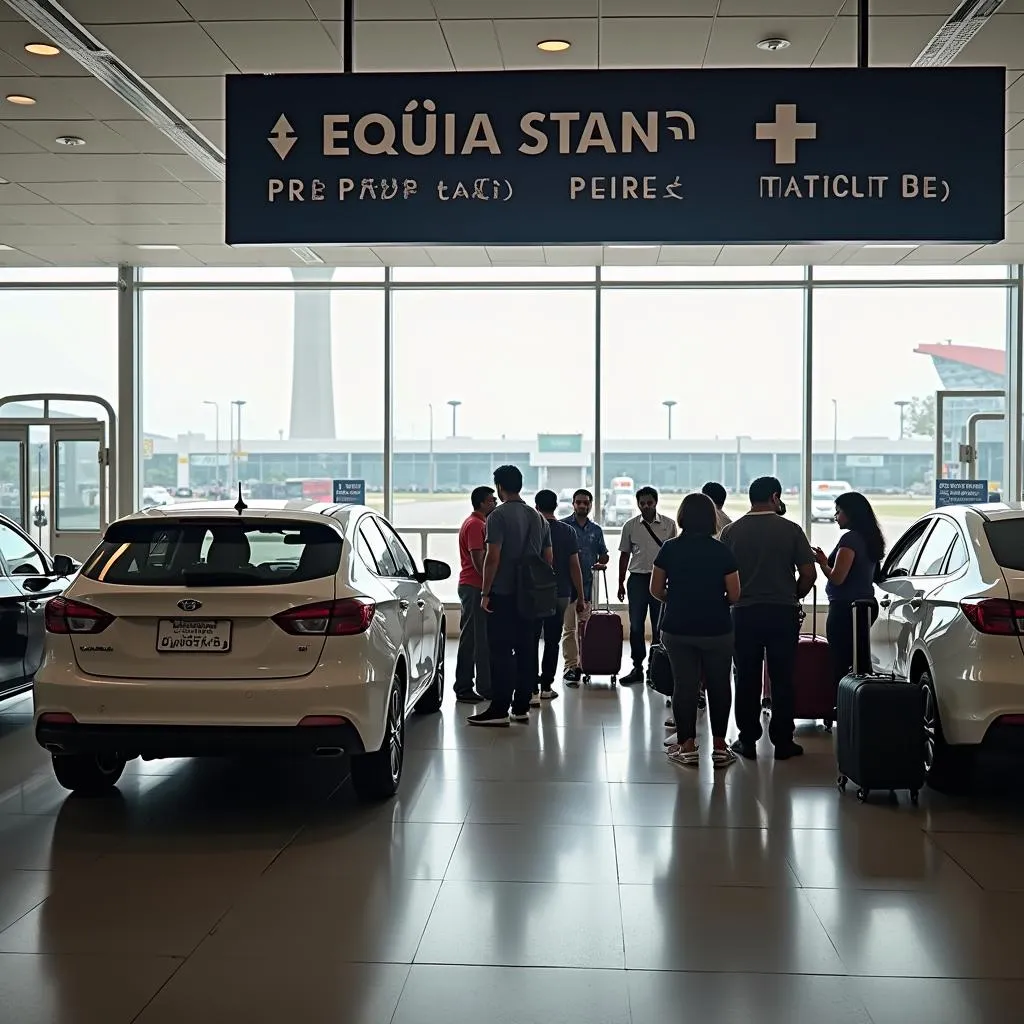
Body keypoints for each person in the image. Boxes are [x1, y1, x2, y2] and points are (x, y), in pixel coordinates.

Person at [720, 476, 816, 761]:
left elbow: (723, 577)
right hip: (781, 613)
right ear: (775, 497)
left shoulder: (731, 532)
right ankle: (783, 742)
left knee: (746, 677)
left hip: (743, 613)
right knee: (783, 678)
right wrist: (793, 594)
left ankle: (747, 740)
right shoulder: (791, 530)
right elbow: (809, 574)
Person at [651, 493, 741, 768]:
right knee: (719, 685)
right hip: (717, 628)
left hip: (678, 627)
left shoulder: (669, 548)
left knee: (684, 686)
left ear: (682, 517)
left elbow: (655, 589)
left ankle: (687, 746)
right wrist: (714, 601)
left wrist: (677, 599)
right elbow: (735, 594)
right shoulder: (722, 550)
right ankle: (720, 747)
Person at [468, 465, 552, 728]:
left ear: (500, 487)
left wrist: (485, 592)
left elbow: (492, 557)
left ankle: (499, 708)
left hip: (503, 594)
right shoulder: (538, 517)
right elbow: (548, 559)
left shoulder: (497, 516)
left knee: (501, 651)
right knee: (527, 649)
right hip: (530, 596)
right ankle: (522, 706)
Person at [813, 491, 885, 689]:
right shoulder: (870, 538)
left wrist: (822, 564)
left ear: (851, 513)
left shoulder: (850, 539)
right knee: (858, 658)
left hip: (845, 608)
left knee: (840, 659)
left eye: (838, 512)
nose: (835, 517)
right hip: (864, 605)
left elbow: (838, 577)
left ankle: (840, 707)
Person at [617, 486, 677, 685]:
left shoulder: (669, 525)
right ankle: (637, 667)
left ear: (656, 502)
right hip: (637, 580)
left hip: (660, 580)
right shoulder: (630, 525)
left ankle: (655, 667)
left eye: (649, 503)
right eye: (642, 503)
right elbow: (624, 554)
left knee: (659, 627)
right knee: (635, 626)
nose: (645, 507)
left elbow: (674, 556)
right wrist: (620, 582)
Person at [533, 489, 586, 705]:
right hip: (561, 593)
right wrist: (581, 597)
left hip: (534, 593)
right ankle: (547, 686)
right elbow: (575, 566)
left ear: (536, 507)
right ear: (556, 506)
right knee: (553, 641)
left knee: (531, 639)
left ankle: (530, 688)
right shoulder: (568, 531)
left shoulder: (532, 529)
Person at [560, 488, 609, 686]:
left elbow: (603, 554)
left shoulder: (596, 530)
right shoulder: (563, 527)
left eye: (586, 502)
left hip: (588, 586)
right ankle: (571, 666)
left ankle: (585, 663)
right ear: (573, 504)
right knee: (569, 629)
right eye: (578, 502)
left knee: (586, 628)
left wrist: (602, 562)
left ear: (590, 505)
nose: (582, 505)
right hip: (566, 587)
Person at [455, 485, 497, 703]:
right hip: (474, 587)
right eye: (492, 500)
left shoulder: (480, 523)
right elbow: (478, 560)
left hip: (476, 586)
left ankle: (481, 684)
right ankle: (464, 687)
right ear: (481, 503)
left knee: (479, 637)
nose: (495, 503)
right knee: (472, 638)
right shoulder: (475, 525)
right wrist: (487, 586)